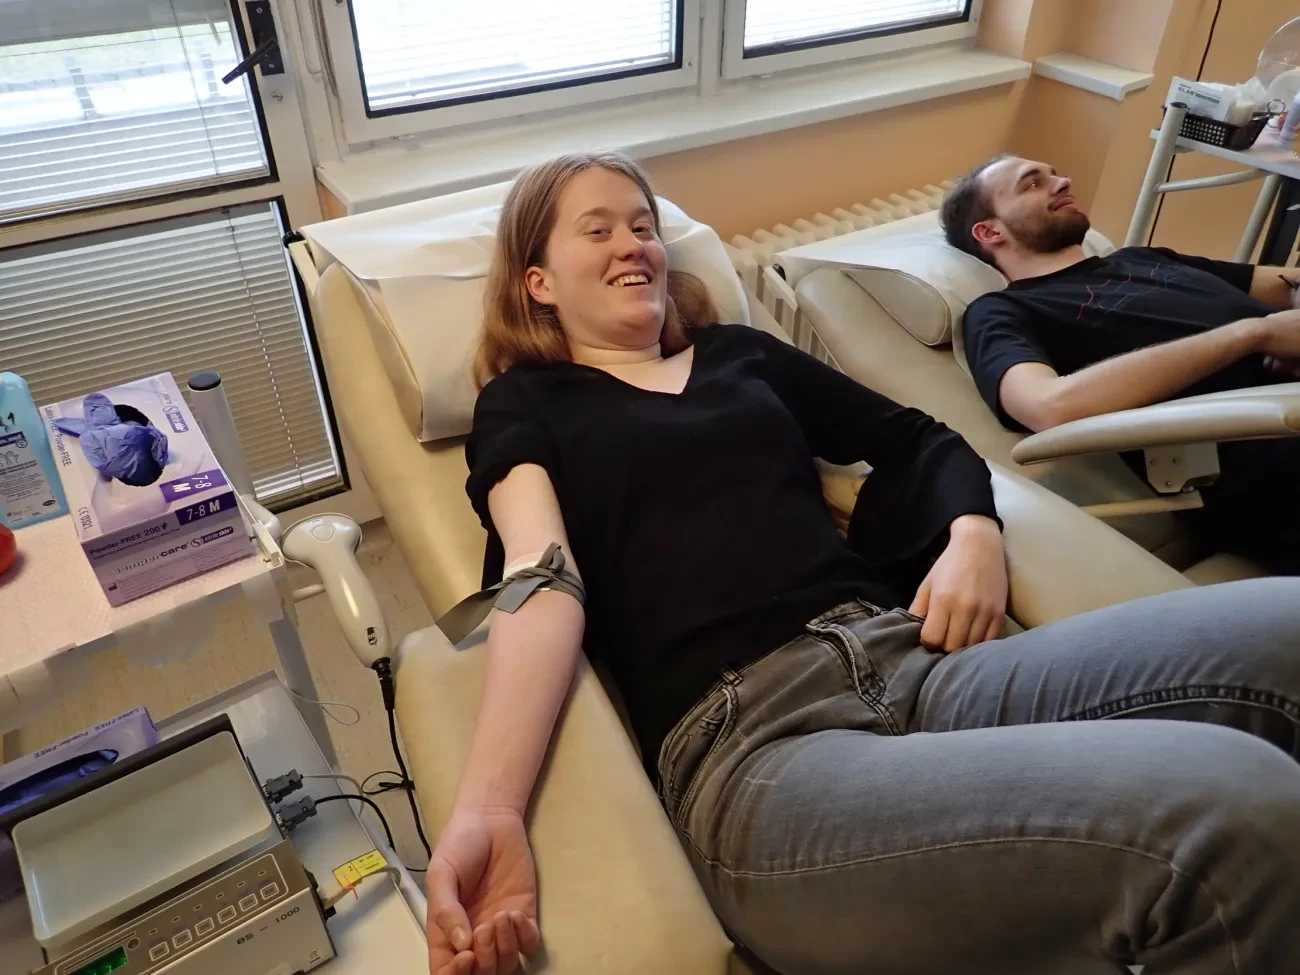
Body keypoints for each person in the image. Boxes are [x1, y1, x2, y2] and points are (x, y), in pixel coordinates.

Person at [426, 150, 1300, 975]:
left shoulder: (740, 354)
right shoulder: (525, 402)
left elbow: (918, 438)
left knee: (1285, 628)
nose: (633, 245)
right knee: (1240, 814)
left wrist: (971, 533)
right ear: (539, 282)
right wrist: (489, 809)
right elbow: (542, 578)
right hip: (761, 752)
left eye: (643, 225)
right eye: (598, 230)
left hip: (915, 661)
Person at [942, 153, 1300, 574]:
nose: (1063, 181)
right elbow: (1049, 405)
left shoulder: (1144, 258)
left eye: (1055, 172)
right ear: (989, 231)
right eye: (1032, 183)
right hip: (1274, 467)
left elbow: (1290, 281)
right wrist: (1253, 335)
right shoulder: (1002, 311)